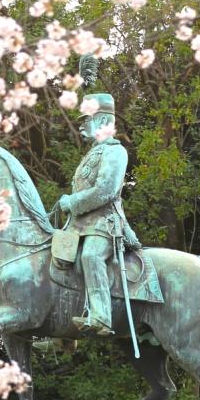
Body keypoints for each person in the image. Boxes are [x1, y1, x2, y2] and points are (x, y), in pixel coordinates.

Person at [55, 93, 141, 336]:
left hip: (105, 224)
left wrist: (72, 202)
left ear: (103, 121)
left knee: (91, 256)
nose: (82, 125)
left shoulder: (115, 152)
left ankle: (102, 315)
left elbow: (104, 191)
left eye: (87, 119)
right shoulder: (93, 153)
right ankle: (63, 333)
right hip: (80, 225)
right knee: (57, 261)